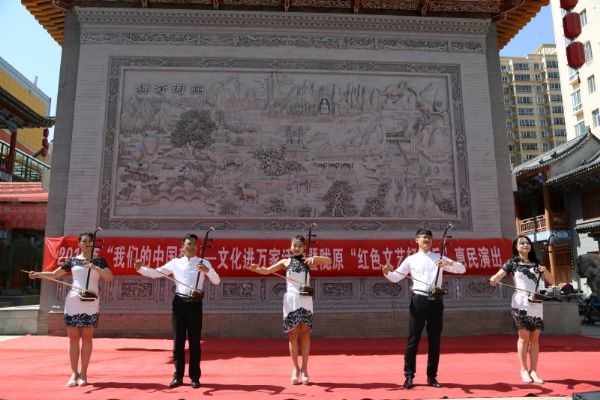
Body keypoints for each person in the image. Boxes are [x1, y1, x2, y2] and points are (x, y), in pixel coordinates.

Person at [382, 228, 465, 389]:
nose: (426, 240)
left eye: (429, 237)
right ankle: (409, 376)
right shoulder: (411, 259)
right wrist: (386, 272)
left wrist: (449, 263)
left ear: (432, 241)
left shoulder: (439, 257)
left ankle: (432, 376)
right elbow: (396, 277)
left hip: (436, 301)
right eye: (423, 237)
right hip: (419, 300)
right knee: (413, 338)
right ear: (417, 240)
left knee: (435, 340)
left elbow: (462, 269)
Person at [134, 233, 220, 389]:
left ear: (198, 246)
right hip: (179, 304)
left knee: (194, 342)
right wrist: (141, 269)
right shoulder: (175, 263)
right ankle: (178, 376)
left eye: (194, 244)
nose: (192, 247)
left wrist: (208, 271)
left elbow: (217, 280)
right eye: (188, 244)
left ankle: (195, 377)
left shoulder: (203, 262)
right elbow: (157, 273)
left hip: (195, 304)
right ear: (183, 247)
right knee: (178, 342)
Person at [28, 232, 113, 387]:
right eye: (84, 241)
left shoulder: (99, 261)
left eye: (90, 241)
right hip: (74, 300)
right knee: (73, 338)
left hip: (91, 301)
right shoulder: (72, 261)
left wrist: (94, 267)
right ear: (79, 243)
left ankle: (84, 373)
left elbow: (109, 277)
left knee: (87, 338)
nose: (88, 244)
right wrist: (38, 274)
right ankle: (74, 372)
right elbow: (54, 274)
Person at [250, 235, 331, 385]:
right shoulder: (285, 262)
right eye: (294, 245)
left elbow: (329, 261)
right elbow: (267, 271)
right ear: (290, 246)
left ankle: (305, 369)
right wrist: (256, 268)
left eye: (300, 246)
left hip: (305, 299)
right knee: (293, 334)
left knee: (305, 333)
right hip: (290, 299)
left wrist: (314, 258)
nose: (296, 248)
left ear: (304, 247)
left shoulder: (308, 261)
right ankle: (295, 368)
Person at [489, 235, 554, 384]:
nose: (525, 245)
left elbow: (551, 280)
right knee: (524, 337)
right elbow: (498, 275)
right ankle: (524, 369)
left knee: (535, 338)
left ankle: (534, 370)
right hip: (520, 302)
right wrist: (494, 279)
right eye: (522, 243)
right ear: (516, 247)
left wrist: (545, 271)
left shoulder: (537, 263)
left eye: (527, 243)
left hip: (536, 302)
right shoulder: (512, 263)